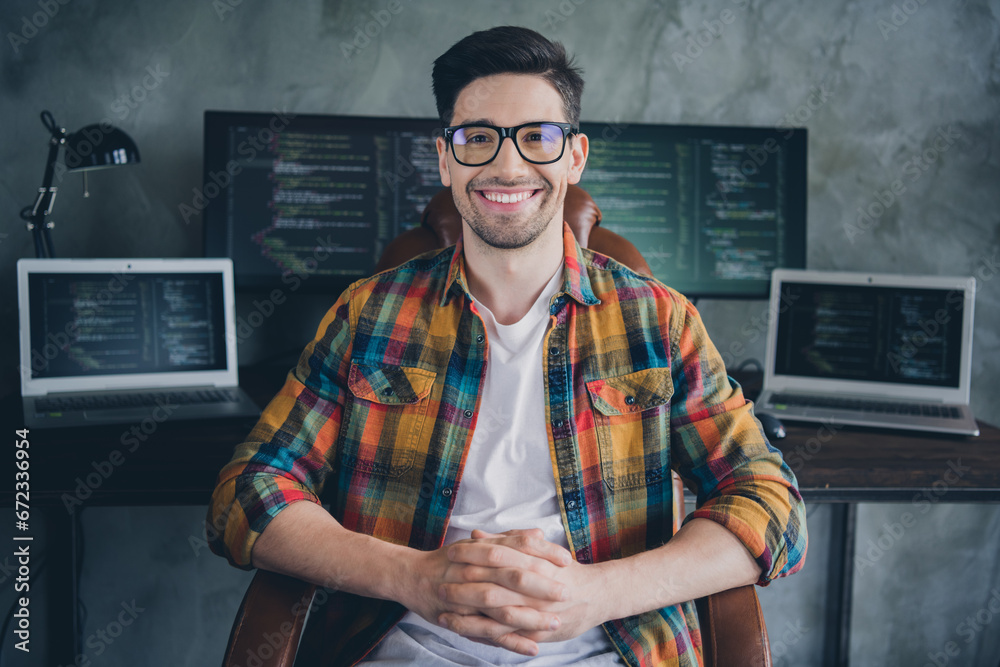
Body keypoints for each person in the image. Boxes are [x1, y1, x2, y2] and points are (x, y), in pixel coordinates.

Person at [207, 25, 807, 667]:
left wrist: (595, 594)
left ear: (574, 157)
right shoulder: (369, 315)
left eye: (537, 137)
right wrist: (411, 577)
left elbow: (769, 502)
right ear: (445, 159)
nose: (508, 164)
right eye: (478, 137)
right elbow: (249, 489)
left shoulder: (660, 321)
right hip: (403, 650)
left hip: (611, 649)